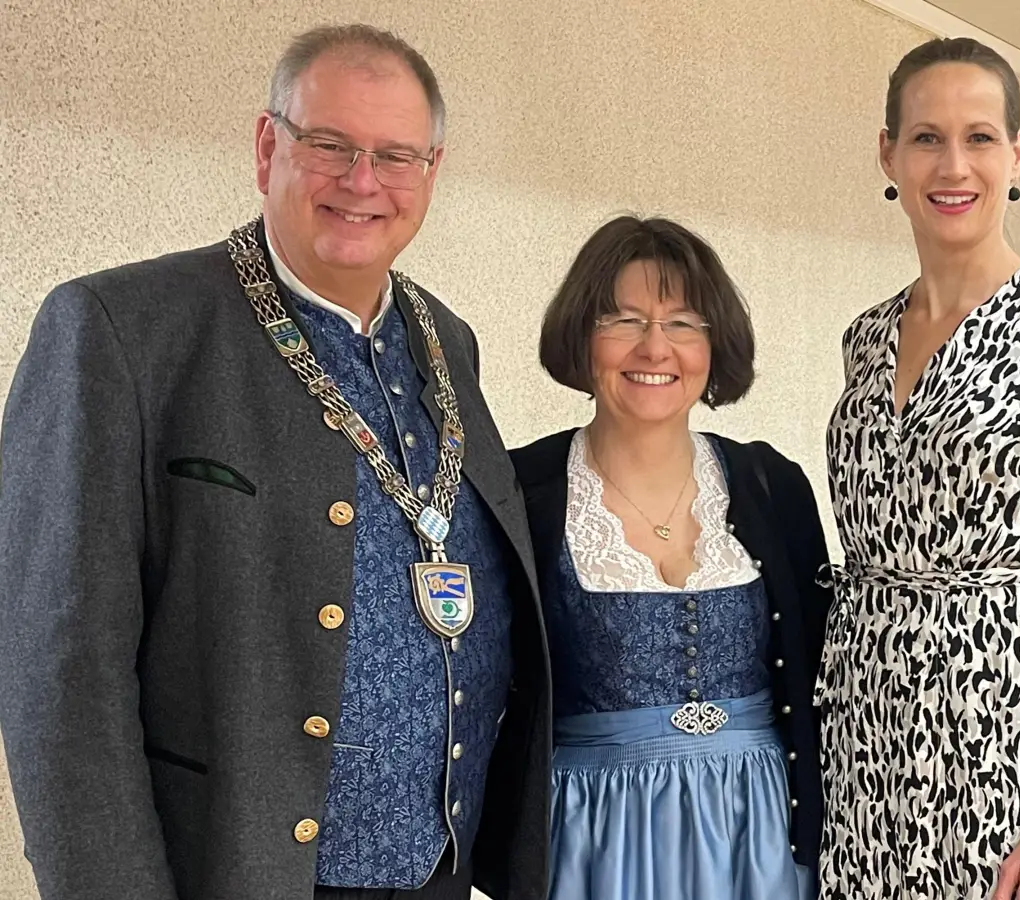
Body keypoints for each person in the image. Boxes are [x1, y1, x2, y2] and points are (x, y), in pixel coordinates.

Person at [0, 24, 552, 900]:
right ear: (267, 147)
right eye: (329, 145)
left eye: (395, 156)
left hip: (438, 873)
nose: (363, 182)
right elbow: (61, 682)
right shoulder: (121, 332)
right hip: (236, 872)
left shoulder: (448, 342)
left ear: (431, 172)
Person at [818, 37, 1020, 900]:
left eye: (979, 137)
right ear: (888, 154)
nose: (952, 164)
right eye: (926, 138)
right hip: (864, 732)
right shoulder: (865, 336)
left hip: (1003, 736)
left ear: (1016, 155)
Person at [507, 215, 832, 900]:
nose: (655, 347)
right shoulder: (519, 492)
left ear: (715, 345)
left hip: (761, 837)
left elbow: (825, 672)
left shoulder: (773, 487)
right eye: (623, 320)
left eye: (684, 323)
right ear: (582, 335)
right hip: (593, 844)